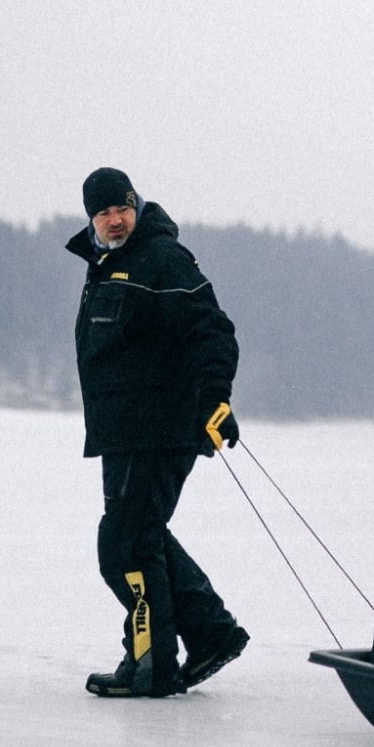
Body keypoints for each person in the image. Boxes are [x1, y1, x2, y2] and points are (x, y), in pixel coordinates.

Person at [67, 167, 249, 697]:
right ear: (92, 220)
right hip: (123, 430)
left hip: (158, 427)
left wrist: (216, 399)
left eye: (121, 208)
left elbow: (211, 330)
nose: (114, 220)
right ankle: (211, 633)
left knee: (124, 546)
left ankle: (151, 664)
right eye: (102, 213)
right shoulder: (108, 264)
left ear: (136, 205)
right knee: (141, 536)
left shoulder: (162, 259)